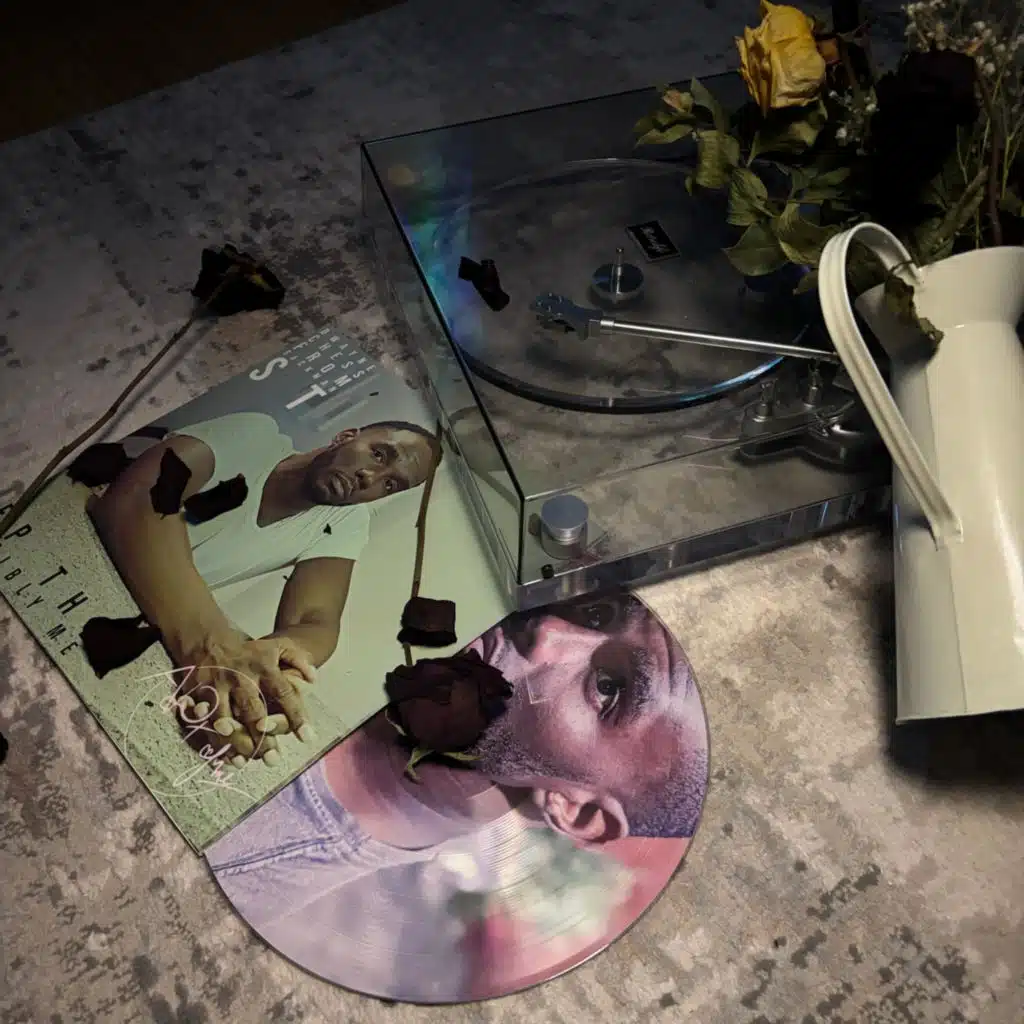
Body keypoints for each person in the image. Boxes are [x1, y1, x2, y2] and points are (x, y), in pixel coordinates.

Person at [206, 592, 708, 1000]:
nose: (549, 630)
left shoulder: (247, 879)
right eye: (597, 613)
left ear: (577, 811)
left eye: (607, 687)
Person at [88, 411, 439, 764]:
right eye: (379, 454)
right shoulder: (255, 434)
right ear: (346, 436)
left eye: (390, 485)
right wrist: (208, 645)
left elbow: (316, 620)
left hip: (133, 612)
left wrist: (273, 668)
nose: (370, 477)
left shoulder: (346, 521)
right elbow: (138, 498)